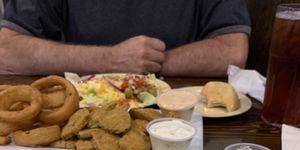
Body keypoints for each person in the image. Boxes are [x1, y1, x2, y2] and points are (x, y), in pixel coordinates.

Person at [0, 0, 250, 77]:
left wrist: (146, 65)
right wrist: (109, 60)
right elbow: (7, 50)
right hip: (78, 118)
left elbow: (233, 51)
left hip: (181, 122)